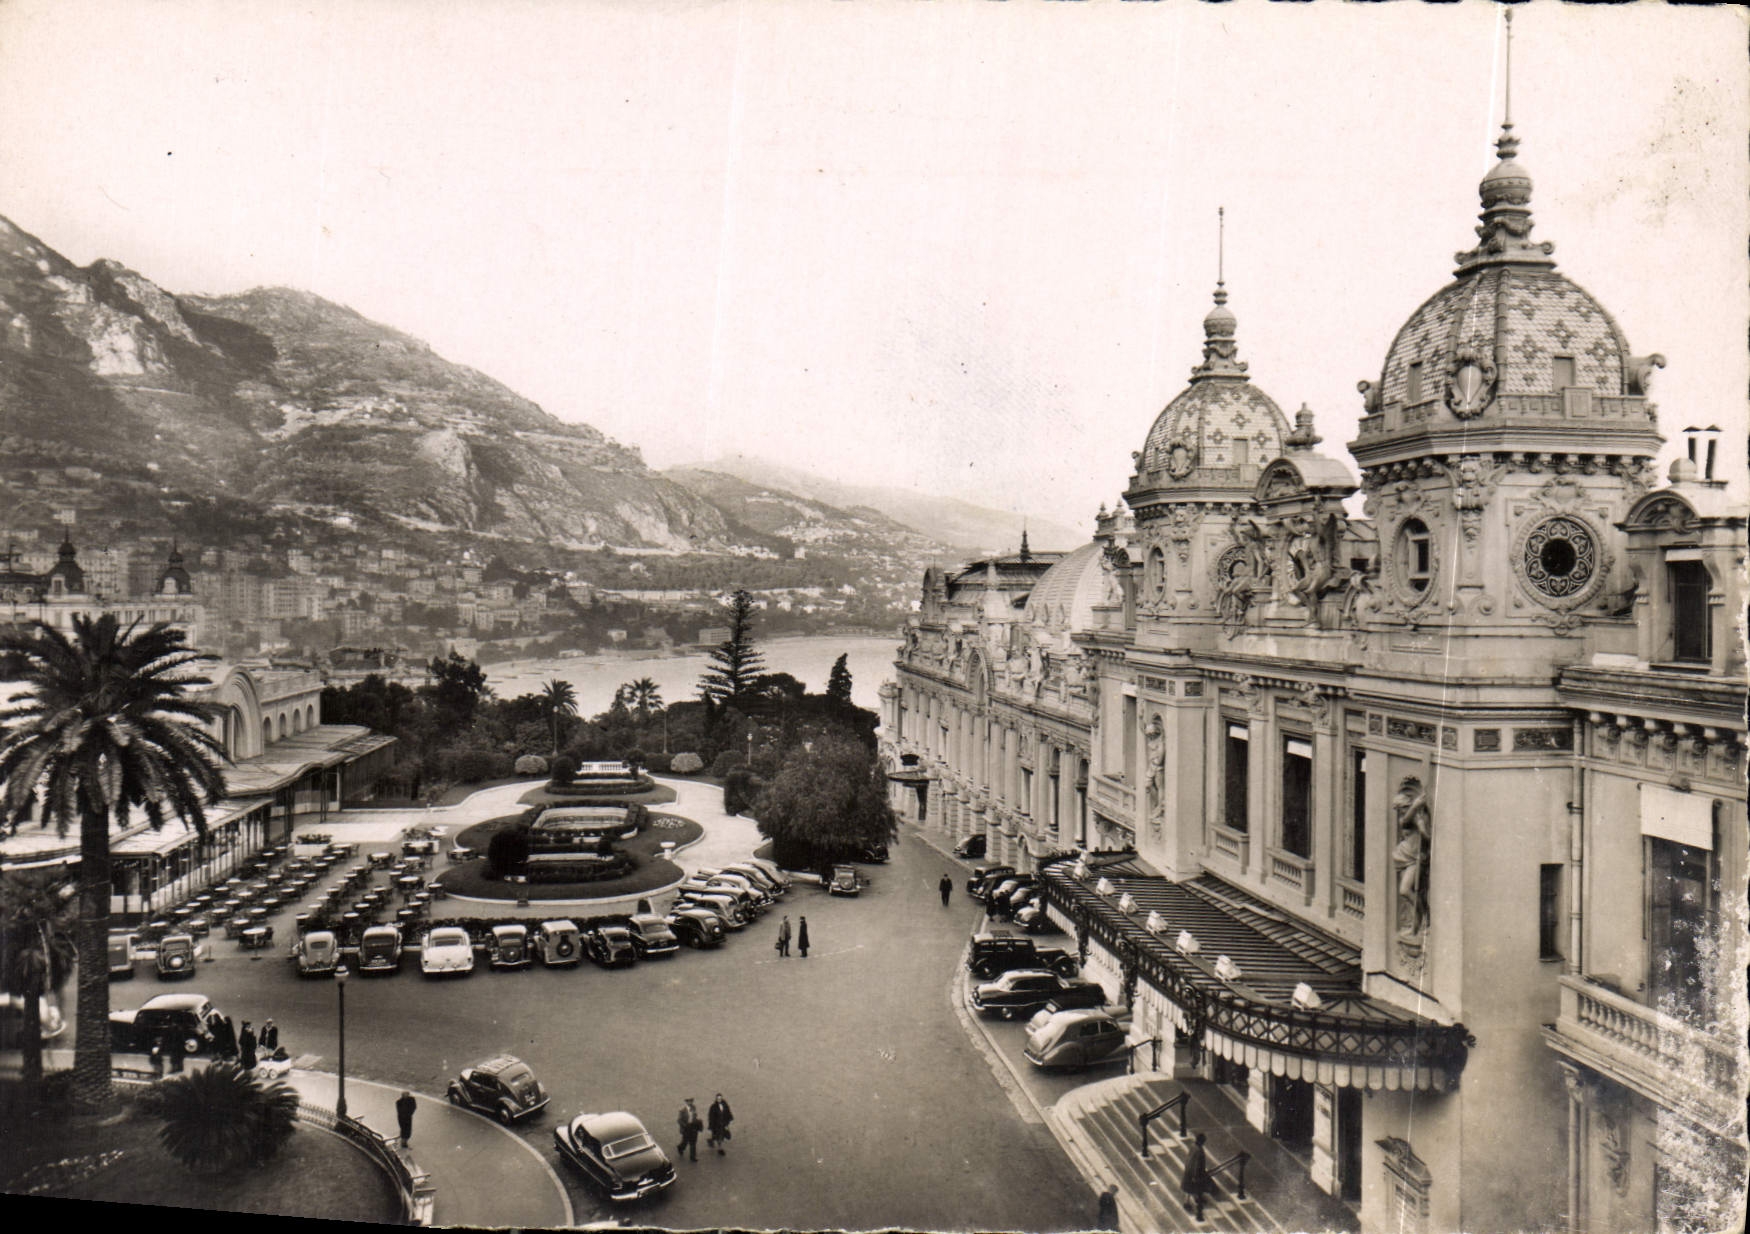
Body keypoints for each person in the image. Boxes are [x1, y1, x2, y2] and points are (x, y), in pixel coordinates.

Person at [1182, 1132, 1210, 1221]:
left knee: (1190, 1188)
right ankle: (1189, 1202)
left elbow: (1189, 1158)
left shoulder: (1193, 1146)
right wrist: (1195, 1175)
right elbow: (1197, 1164)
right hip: (1195, 1173)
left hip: (1188, 1170)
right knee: (1192, 1187)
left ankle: (1190, 1200)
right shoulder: (1199, 1151)